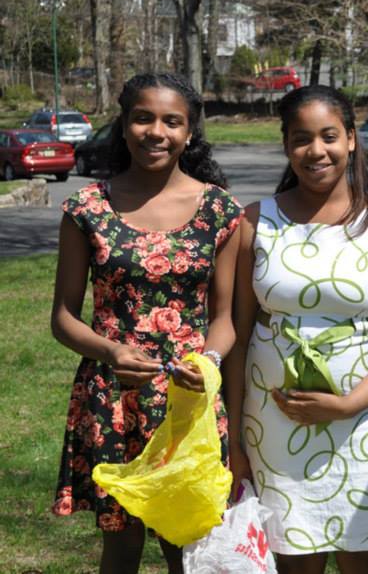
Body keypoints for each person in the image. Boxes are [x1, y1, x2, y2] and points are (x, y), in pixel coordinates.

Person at [224, 85, 368, 574]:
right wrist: (232, 435)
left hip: (366, 424)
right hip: (274, 424)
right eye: (301, 139)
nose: (316, 150)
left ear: (352, 139)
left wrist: (351, 402)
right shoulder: (255, 222)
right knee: (295, 561)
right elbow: (237, 332)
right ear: (286, 145)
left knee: (364, 560)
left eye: (329, 136)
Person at [50, 73, 243, 573]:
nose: (156, 131)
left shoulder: (219, 210)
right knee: (121, 544)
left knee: (188, 543)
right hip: (114, 395)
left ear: (189, 132)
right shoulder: (87, 207)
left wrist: (210, 363)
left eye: (171, 121)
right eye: (143, 118)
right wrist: (110, 352)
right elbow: (63, 317)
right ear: (124, 123)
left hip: (189, 401)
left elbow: (226, 318)